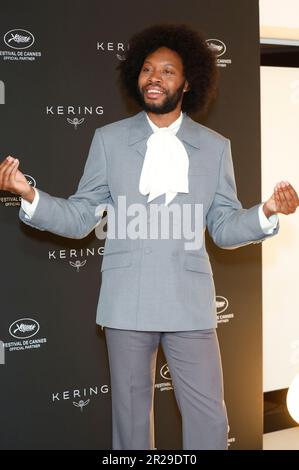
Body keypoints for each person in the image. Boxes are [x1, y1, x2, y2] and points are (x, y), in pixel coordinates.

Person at [0, 24, 298, 450]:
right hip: (126, 303)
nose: (154, 77)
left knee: (210, 422)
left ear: (189, 82)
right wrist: (29, 193)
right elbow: (81, 215)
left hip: (190, 303)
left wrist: (266, 211)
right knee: (131, 426)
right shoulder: (109, 140)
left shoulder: (215, 147)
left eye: (167, 71)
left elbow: (226, 228)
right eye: (147, 69)